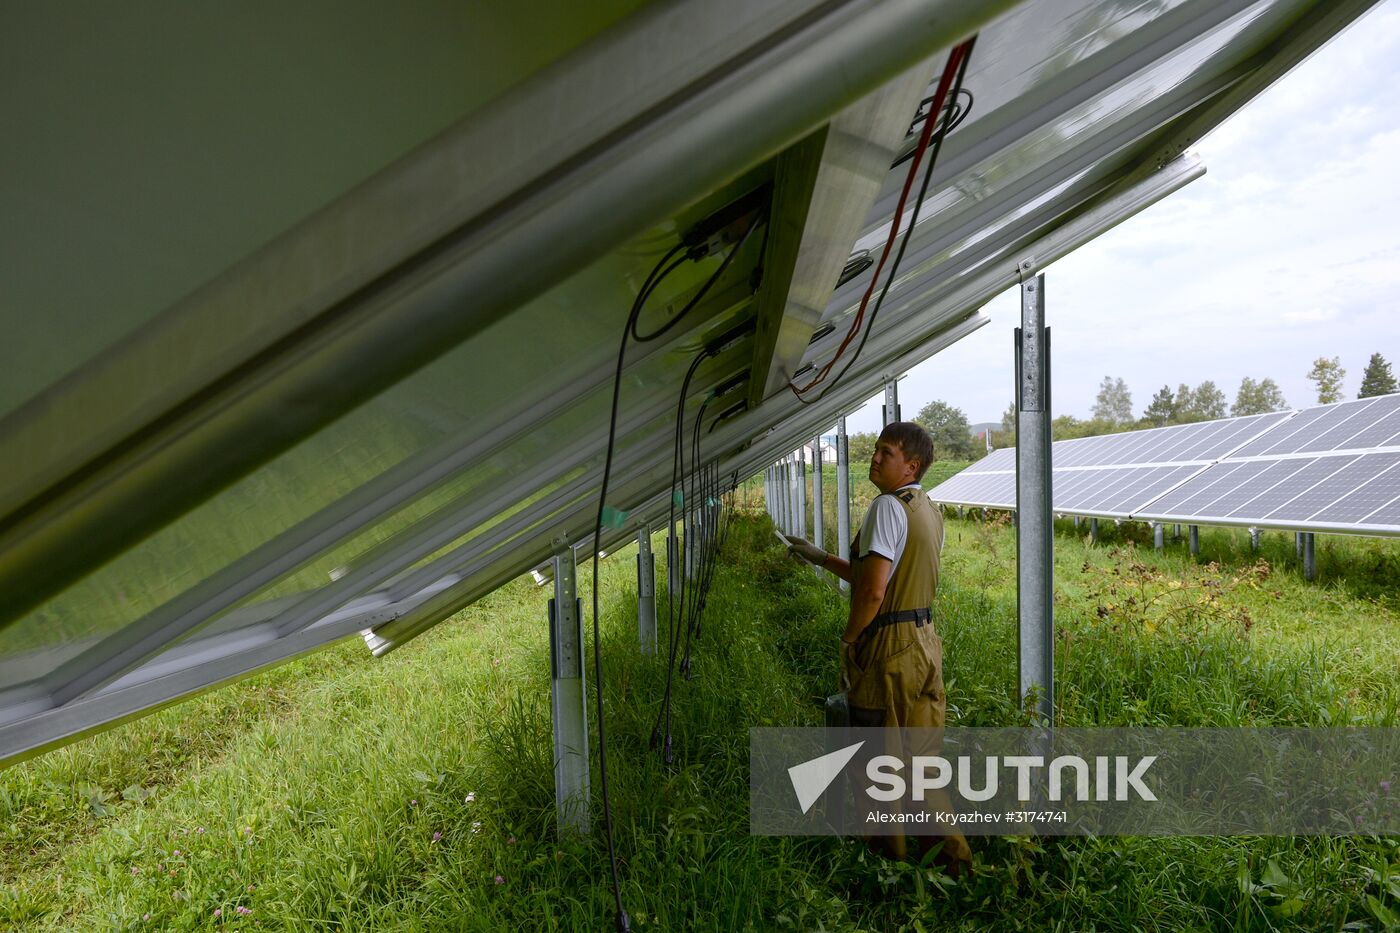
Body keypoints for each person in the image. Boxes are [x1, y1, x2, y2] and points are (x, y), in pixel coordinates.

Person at [784, 421, 972, 872]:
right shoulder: (927, 509)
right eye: (875, 450)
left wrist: (850, 642)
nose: (873, 458)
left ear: (911, 464)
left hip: (890, 649)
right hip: (926, 643)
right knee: (923, 763)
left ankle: (890, 866)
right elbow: (880, 578)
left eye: (885, 452)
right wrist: (824, 557)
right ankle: (954, 863)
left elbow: (873, 595)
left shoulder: (886, 508)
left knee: (878, 761)